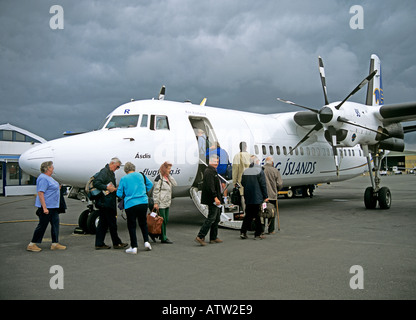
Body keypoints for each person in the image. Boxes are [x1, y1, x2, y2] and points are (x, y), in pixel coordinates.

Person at [27, 161, 66, 252]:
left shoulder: (49, 177)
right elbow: (41, 193)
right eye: (52, 167)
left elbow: (52, 187)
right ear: (48, 168)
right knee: (42, 225)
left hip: (54, 206)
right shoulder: (43, 178)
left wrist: (58, 188)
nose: (53, 168)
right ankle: (32, 244)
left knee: (55, 225)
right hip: (47, 207)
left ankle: (55, 243)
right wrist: (44, 207)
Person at [117, 162, 153, 254]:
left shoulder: (124, 179)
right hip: (143, 202)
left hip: (131, 204)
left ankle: (134, 247)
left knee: (132, 225)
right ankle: (146, 242)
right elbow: (150, 184)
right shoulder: (141, 175)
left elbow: (119, 193)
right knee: (143, 223)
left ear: (126, 170)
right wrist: (143, 192)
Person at [93, 157, 128, 250]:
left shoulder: (109, 172)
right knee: (112, 223)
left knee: (103, 224)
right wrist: (107, 187)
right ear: (112, 163)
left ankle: (99, 243)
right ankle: (116, 243)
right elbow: (96, 183)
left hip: (106, 202)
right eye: (117, 167)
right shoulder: (104, 172)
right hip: (106, 202)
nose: (117, 169)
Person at [195, 154, 223, 246]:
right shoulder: (209, 172)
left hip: (216, 198)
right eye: (215, 162)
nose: (216, 163)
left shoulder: (213, 171)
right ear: (210, 161)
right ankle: (200, 236)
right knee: (211, 217)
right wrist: (215, 197)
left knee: (217, 218)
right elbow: (210, 186)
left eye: (217, 162)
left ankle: (213, 237)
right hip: (212, 199)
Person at [240, 155, 268, 240]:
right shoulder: (259, 171)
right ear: (256, 162)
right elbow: (263, 184)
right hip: (257, 196)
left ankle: (243, 232)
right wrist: (265, 196)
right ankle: (258, 233)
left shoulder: (246, 171)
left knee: (248, 215)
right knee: (258, 215)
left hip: (248, 197)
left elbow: (242, 183)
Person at [152, 161, 177, 244]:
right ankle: (163, 237)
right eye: (168, 169)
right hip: (161, 203)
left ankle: (160, 234)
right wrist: (156, 203)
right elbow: (155, 191)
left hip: (167, 202)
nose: (170, 170)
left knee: (165, 220)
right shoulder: (159, 179)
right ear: (164, 169)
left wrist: (169, 176)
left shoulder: (167, 178)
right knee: (162, 220)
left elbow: (175, 184)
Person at [262, 156, 283, 234]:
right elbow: (280, 183)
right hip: (272, 196)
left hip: (263, 197)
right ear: (272, 163)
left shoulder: (261, 170)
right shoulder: (275, 170)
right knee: (272, 212)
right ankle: (271, 230)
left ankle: (262, 228)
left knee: (263, 212)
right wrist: (277, 189)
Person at [232, 141, 251, 211]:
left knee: (242, 196)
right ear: (246, 147)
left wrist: (234, 181)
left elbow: (235, 170)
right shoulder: (250, 156)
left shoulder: (237, 156)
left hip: (241, 179)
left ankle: (245, 211)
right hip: (251, 180)